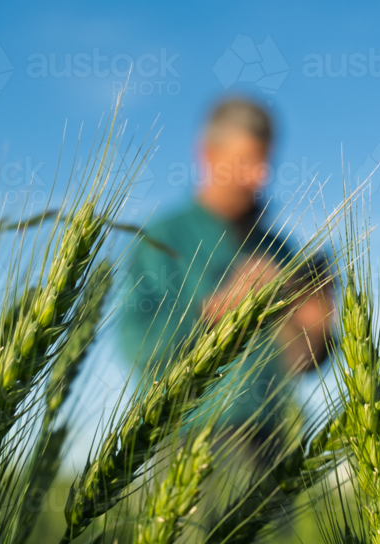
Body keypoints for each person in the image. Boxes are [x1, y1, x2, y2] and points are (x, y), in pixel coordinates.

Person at [119, 96, 334, 456]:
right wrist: (217, 309)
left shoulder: (281, 248)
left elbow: (304, 363)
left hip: (269, 443)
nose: (259, 176)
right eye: (245, 161)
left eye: (265, 162)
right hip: (180, 442)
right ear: (207, 155)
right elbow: (133, 342)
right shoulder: (162, 238)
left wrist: (316, 326)